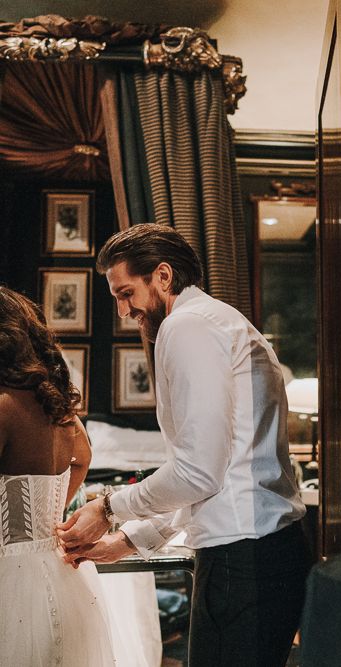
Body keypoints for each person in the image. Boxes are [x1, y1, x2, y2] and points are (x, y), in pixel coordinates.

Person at [57, 223, 311, 667]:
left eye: (126, 293)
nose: (122, 311)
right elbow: (216, 475)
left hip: (241, 561)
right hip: (262, 551)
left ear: (163, 276)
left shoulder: (188, 326)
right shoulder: (221, 321)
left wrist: (109, 508)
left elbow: (198, 472)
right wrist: (133, 540)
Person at [0, 287, 116, 666]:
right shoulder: (54, 403)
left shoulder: (3, 405)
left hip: (9, 577)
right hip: (56, 569)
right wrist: (51, 514)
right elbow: (82, 458)